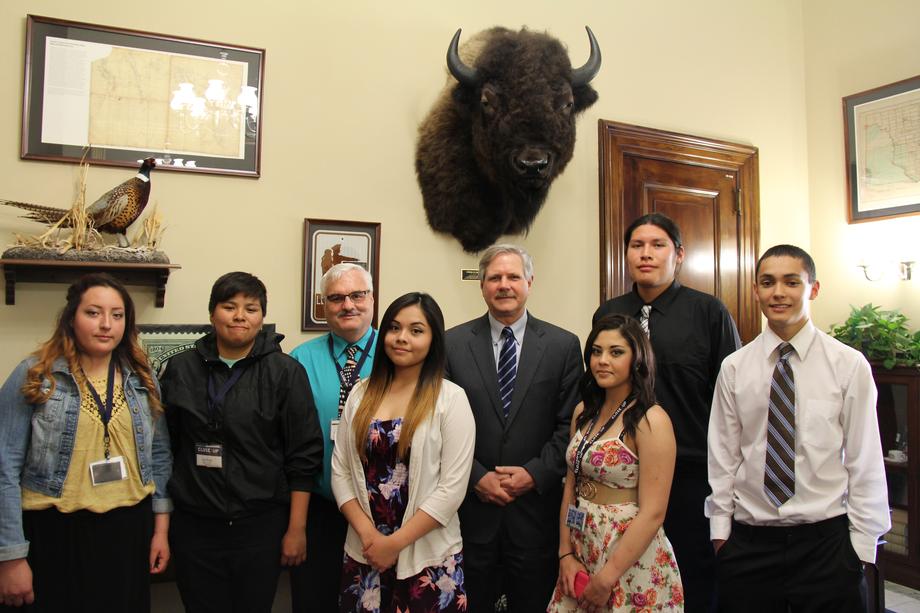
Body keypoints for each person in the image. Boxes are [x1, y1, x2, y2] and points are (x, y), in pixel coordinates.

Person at [706, 245, 889, 611]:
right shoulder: (735, 368)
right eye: (767, 282)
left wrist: (863, 546)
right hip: (749, 543)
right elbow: (723, 456)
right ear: (755, 289)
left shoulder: (848, 365)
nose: (778, 292)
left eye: (791, 282)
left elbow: (864, 457)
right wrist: (721, 532)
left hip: (827, 544)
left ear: (813, 288)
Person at [593, 213, 740, 612]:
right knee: (623, 580)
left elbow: (733, 399)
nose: (646, 254)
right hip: (620, 474)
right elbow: (598, 388)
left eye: (657, 245)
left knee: (690, 579)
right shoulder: (610, 312)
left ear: (678, 255)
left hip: (690, 477)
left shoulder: (709, 313)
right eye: (637, 245)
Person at [0, 273, 172, 611]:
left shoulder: (142, 377)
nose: (106, 324)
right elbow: (4, 466)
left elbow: (160, 454)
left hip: (128, 530)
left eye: (117, 315)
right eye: (93, 313)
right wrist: (10, 556)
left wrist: (161, 531)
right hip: (55, 532)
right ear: (71, 319)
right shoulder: (36, 375)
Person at [161, 272, 323, 613]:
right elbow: (167, 447)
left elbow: (303, 455)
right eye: (229, 306)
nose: (239, 316)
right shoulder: (180, 368)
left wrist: (297, 528)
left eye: (250, 308)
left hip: (260, 526)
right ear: (211, 313)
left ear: (261, 317)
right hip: (195, 526)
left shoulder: (285, 372)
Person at [446, 244, 583, 612]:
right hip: (472, 515)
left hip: (536, 514)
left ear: (529, 282)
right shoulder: (452, 345)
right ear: (482, 285)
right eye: (495, 277)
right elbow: (440, 428)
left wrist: (533, 474)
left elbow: (570, 426)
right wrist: (476, 477)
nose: (504, 285)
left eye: (513, 276)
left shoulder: (563, 346)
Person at [332, 292, 474, 612]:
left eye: (416, 330)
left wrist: (394, 544)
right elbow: (340, 471)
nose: (402, 338)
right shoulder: (361, 393)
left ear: (434, 339)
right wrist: (371, 538)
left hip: (427, 556)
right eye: (394, 328)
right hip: (365, 551)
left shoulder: (451, 399)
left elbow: (451, 489)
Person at [549, 314, 683, 612]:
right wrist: (565, 555)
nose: (602, 361)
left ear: (637, 359)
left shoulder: (651, 420)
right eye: (596, 352)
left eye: (616, 352)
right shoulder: (584, 412)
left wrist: (607, 578)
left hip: (627, 557)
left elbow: (654, 512)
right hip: (581, 547)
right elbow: (570, 486)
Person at [289, 263, 377, 612]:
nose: (348, 305)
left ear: (372, 298)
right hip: (319, 509)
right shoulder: (299, 360)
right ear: (323, 305)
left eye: (357, 295)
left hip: (381, 512)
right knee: (316, 599)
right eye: (337, 298)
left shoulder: (398, 354)